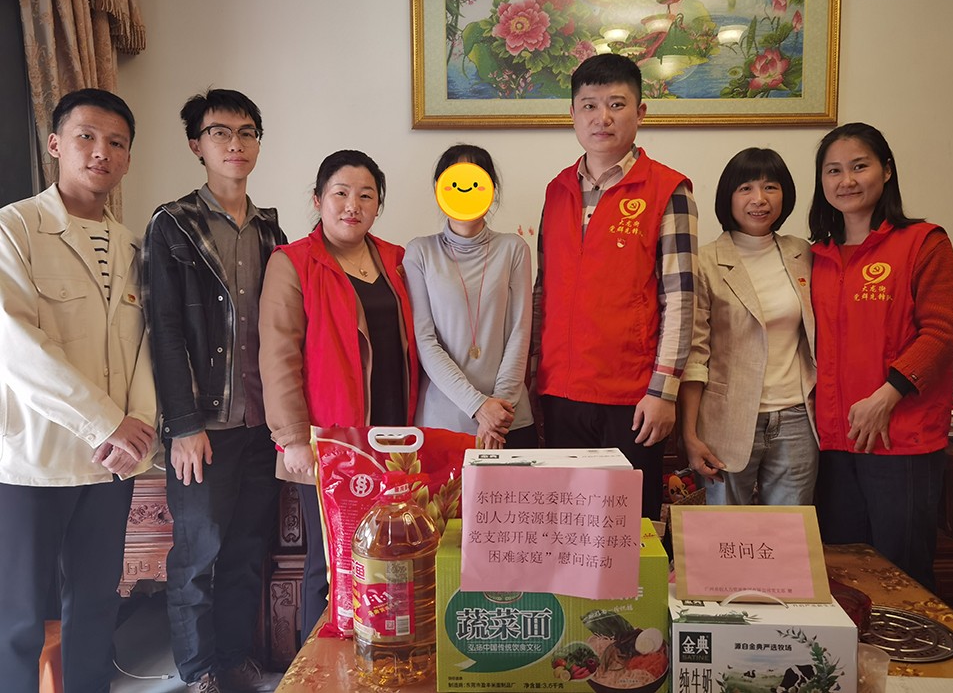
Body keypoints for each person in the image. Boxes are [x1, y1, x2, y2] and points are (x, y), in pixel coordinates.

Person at [0, 88, 157, 692]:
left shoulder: (132, 246)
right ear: (55, 144)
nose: (101, 152)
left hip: (109, 466)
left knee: (95, 607)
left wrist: (137, 429)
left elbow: (145, 347)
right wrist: (106, 423)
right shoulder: (15, 228)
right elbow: (16, 344)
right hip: (32, 461)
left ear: (127, 159)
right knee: (18, 619)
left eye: (116, 143)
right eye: (86, 137)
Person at [143, 89, 285, 692]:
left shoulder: (271, 229)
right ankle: (198, 672)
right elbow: (164, 329)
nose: (235, 143)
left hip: (261, 425)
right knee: (198, 555)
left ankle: (233, 659)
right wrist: (182, 425)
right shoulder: (172, 224)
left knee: (247, 551)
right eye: (220, 132)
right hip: (203, 427)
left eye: (247, 132)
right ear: (196, 145)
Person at [259, 149, 419, 641]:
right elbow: (278, 355)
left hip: (395, 435)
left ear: (378, 205)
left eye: (366, 196)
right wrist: (293, 438)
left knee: (391, 553)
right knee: (332, 564)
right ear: (318, 199)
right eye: (341, 193)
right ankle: (322, 668)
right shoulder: (292, 263)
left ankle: (382, 656)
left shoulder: (395, 259)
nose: (353, 205)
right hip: (330, 442)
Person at [533, 54, 698, 521]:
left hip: (634, 398)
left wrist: (663, 392)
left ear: (640, 112)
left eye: (616, 104)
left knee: (630, 531)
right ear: (572, 113)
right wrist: (532, 378)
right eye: (589, 105)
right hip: (561, 392)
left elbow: (681, 299)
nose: (601, 117)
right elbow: (544, 292)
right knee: (566, 526)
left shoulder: (668, 189)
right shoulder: (557, 190)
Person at [809, 122, 953, 590]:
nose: (846, 181)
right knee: (842, 575)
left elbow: (942, 333)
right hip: (832, 441)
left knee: (902, 575)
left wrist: (887, 396)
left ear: (887, 170)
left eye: (860, 166)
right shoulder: (815, 256)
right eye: (833, 170)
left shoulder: (923, 242)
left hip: (900, 437)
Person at [679, 148, 817, 505]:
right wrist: (690, 434)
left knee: (789, 530)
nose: (759, 199)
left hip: (796, 419)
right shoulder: (704, 261)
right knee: (726, 530)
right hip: (726, 420)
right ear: (729, 196)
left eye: (770, 187)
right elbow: (695, 356)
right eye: (746, 188)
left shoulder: (803, 254)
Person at [404, 144, 536, 449]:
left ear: (491, 189)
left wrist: (498, 414)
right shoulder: (420, 252)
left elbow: (519, 333)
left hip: (509, 419)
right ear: (440, 190)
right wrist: (478, 406)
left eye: (477, 179)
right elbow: (425, 341)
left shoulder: (513, 249)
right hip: (444, 423)